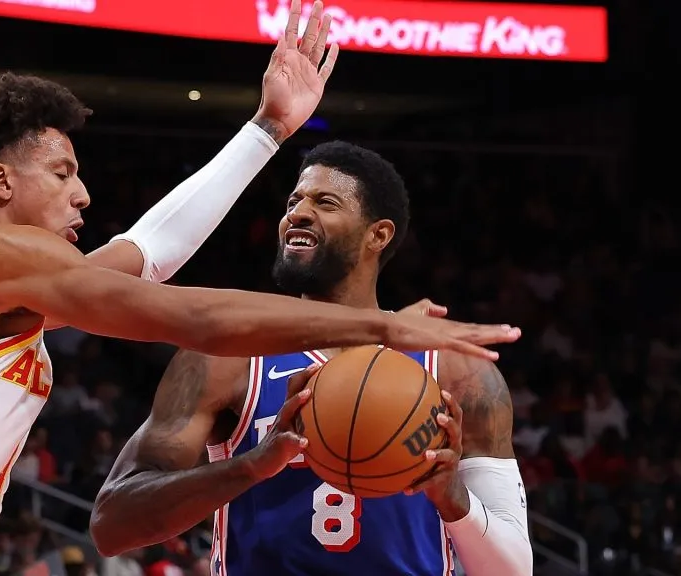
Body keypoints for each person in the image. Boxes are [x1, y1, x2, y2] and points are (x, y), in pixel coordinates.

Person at [0, 3, 520, 575]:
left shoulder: (19, 282)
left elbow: (152, 254)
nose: (83, 195)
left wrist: (266, 130)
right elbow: (179, 312)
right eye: (62, 173)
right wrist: (380, 330)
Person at [91, 141, 532, 575]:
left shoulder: (457, 370)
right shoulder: (228, 357)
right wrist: (249, 466)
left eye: (325, 202)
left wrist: (457, 503)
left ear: (378, 234)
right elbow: (111, 526)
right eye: (293, 201)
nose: (297, 213)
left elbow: (514, 570)